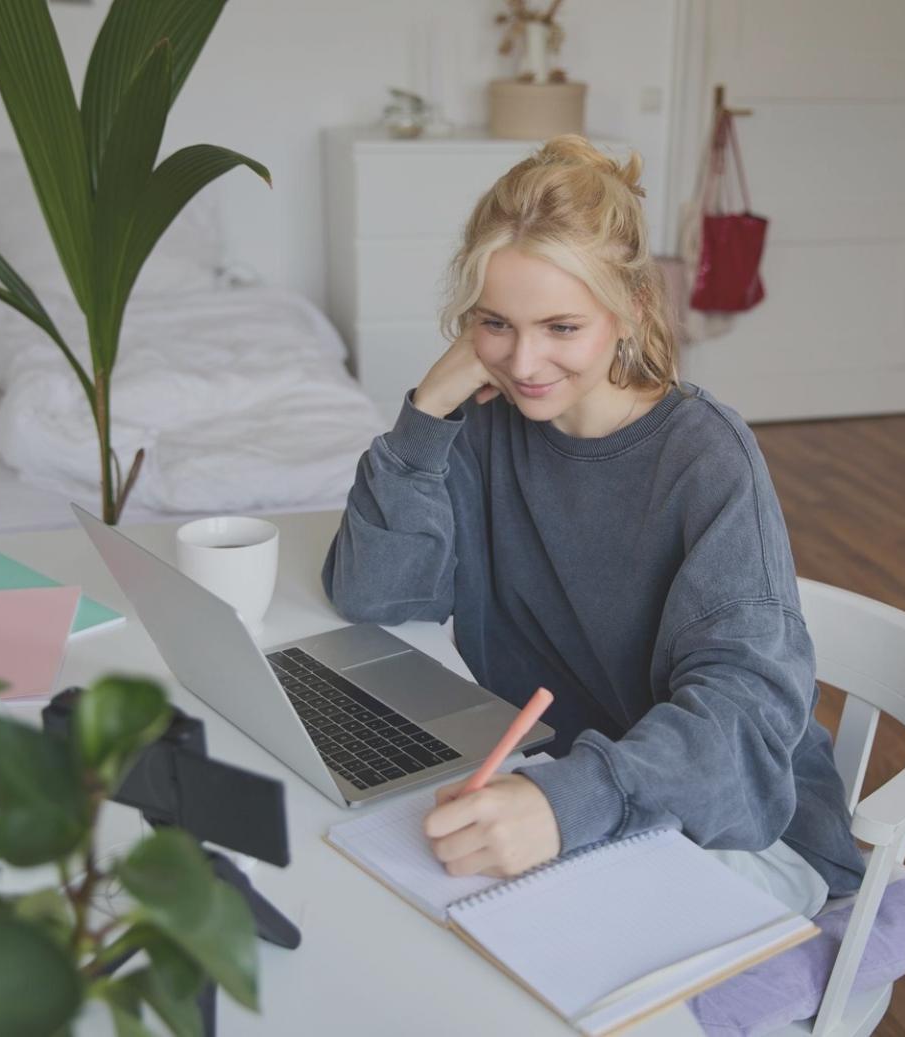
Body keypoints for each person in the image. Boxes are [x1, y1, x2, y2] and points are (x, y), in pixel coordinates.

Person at [321, 135, 865, 915]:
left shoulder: (703, 454)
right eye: (495, 323)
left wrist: (570, 801)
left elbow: (745, 710)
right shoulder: (482, 425)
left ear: (630, 309)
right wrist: (427, 410)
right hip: (556, 785)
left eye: (561, 327)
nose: (523, 362)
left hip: (730, 825)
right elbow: (375, 597)